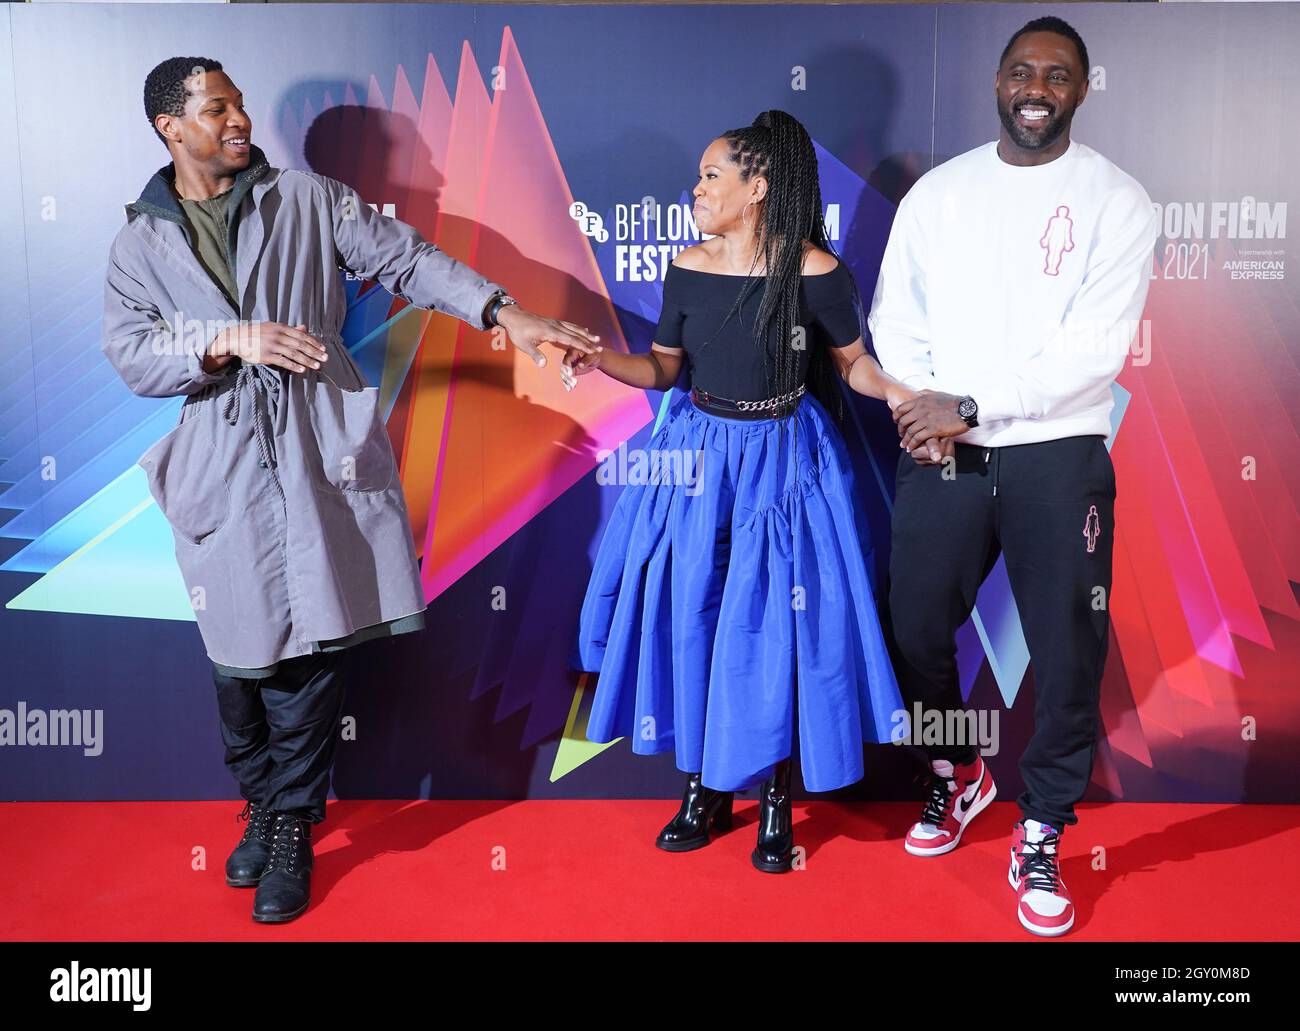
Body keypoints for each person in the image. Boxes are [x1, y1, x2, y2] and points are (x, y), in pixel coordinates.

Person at [102, 57, 600, 923]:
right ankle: (258, 798)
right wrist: (230, 340)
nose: (237, 119)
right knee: (240, 665)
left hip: (314, 453)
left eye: (240, 103)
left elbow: (407, 259)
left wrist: (504, 313)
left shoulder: (306, 200)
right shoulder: (138, 242)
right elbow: (132, 353)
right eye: (216, 108)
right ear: (169, 127)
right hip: (221, 465)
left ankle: (292, 824)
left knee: (310, 654)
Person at [564, 110, 938, 873]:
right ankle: (703, 786)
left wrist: (907, 397)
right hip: (697, 459)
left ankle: (774, 793)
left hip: (786, 463)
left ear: (757, 187)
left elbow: (853, 366)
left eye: (711, 176)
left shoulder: (816, 273)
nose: (696, 188)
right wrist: (599, 356)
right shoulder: (689, 266)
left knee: (776, 631)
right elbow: (664, 367)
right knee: (694, 617)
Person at [868, 17, 1160, 935]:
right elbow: (895, 315)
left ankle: (1041, 829)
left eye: (1059, 74)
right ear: (997, 82)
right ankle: (958, 774)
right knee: (915, 626)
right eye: (1024, 71)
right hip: (946, 450)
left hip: (1059, 456)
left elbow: (1095, 352)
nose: (1038, 87)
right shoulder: (940, 193)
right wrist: (925, 408)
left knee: (1069, 654)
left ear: (1082, 88)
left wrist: (971, 403)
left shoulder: (1119, 201)